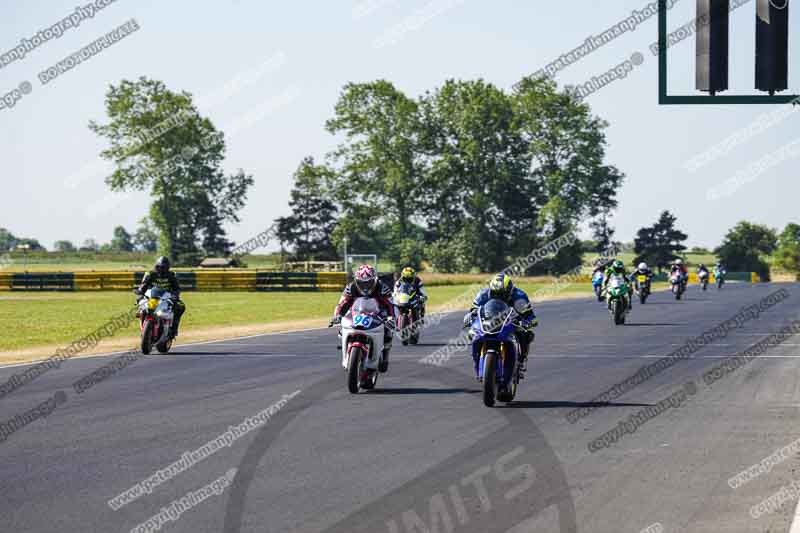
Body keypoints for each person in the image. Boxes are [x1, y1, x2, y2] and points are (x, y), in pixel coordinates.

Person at [463, 273, 537, 378]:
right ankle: (477, 357)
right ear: (491, 290)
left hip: (511, 321)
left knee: (526, 333)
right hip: (490, 321)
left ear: (510, 291)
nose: (499, 297)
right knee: (473, 333)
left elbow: (529, 316)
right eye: (495, 293)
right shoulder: (483, 294)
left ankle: (521, 361)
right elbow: (474, 311)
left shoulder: (519, 297)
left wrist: (527, 322)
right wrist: (469, 317)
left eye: (502, 294)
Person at [332, 264, 395, 368]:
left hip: (378, 312)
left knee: (389, 331)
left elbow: (390, 305)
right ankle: (347, 351)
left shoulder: (382, 287)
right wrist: (337, 315)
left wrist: (391, 317)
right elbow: (342, 303)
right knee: (341, 330)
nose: (365, 287)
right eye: (362, 283)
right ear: (357, 281)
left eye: (368, 283)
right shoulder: (351, 287)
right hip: (356, 312)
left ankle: (385, 356)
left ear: (374, 280)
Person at [136, 256, 186, 337]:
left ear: (167, 268)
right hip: (152, 296)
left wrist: (175, 296)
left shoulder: (172, 275)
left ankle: (174, 329)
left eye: (163, 267)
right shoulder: (150, 274)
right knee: (141, 305)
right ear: (156, 266)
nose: (161, 269)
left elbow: (177, 288)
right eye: (159, 267)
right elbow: (144, 285)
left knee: (181, 306)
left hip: (166, 297)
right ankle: (143, 327)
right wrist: (140, 291)